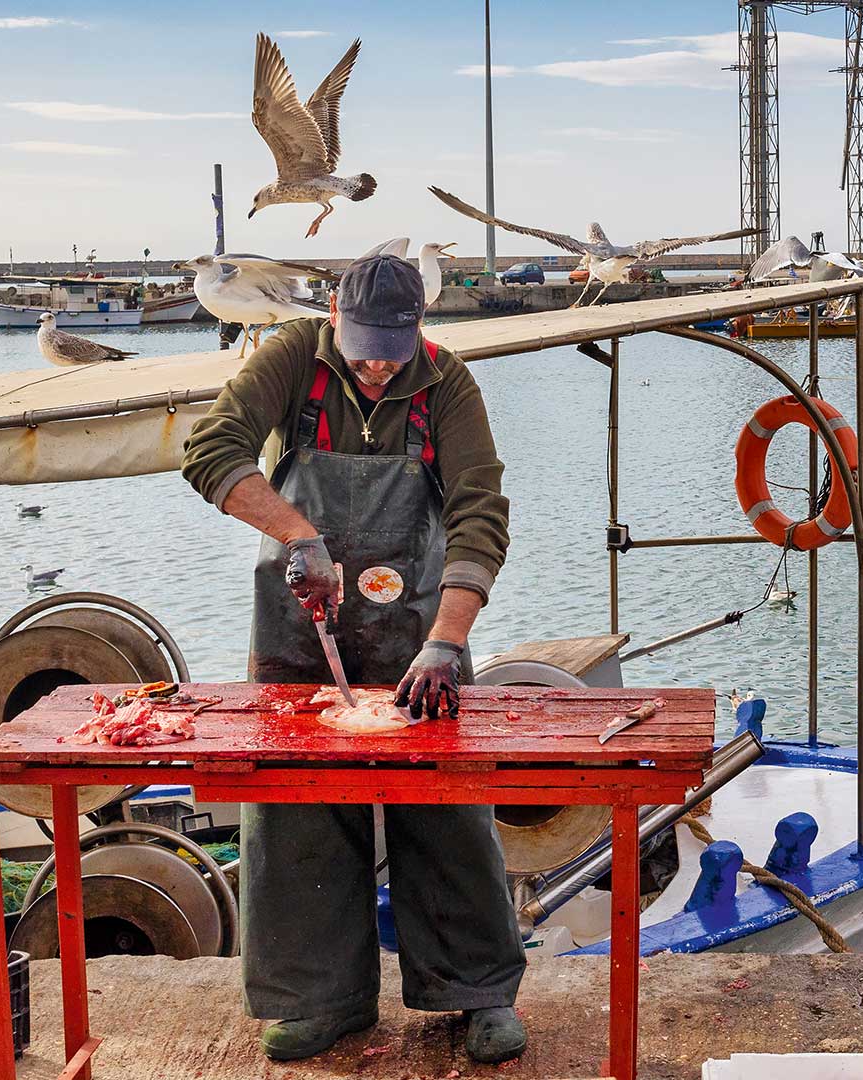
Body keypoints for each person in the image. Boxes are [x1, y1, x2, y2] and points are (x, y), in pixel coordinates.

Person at [181, 253, 526, 1064]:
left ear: (419, 330)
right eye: (365, 349)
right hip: (303, 631)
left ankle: (477, 991)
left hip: (419, 633)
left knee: (447, 809)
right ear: (334, 317)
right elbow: (210, 450)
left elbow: (479, 512)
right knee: (297, 812)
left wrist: (447, 639)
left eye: (392, 353)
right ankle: (319, 1000)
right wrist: (298, 535)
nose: (377, 367)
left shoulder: (446, 383)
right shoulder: (292, 357)